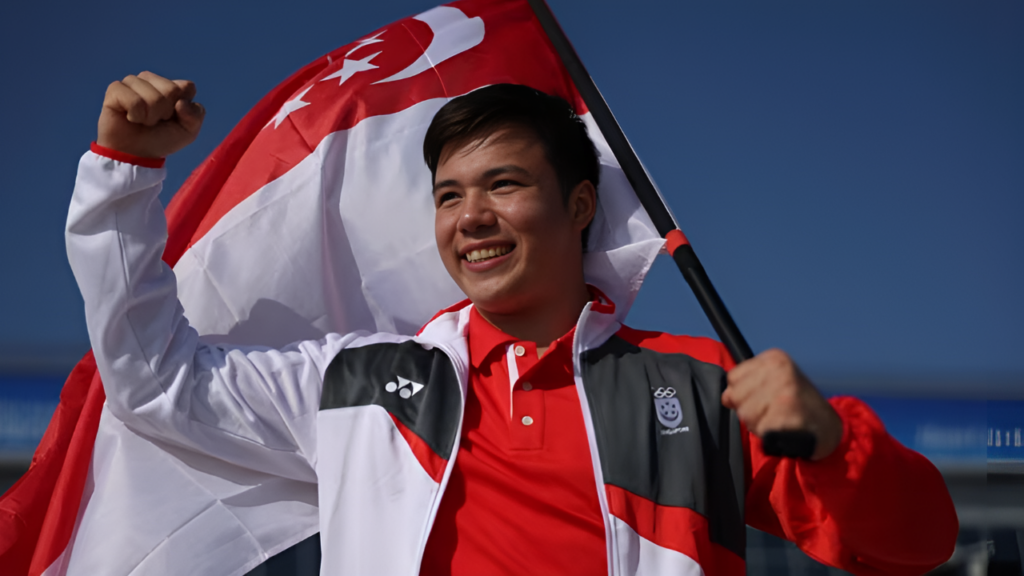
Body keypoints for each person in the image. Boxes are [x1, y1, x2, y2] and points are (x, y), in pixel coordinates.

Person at [66, 71, 958, 575]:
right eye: (450, 195)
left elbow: (917, 545)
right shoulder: (363, 384)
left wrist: (835, 445)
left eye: (502, 185)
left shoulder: (702, 384)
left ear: (578, 206)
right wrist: (124, 176)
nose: (470, 217)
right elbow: (156, 381)